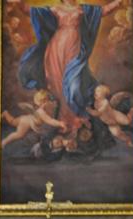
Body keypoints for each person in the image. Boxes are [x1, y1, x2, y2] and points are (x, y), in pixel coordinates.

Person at [11, 0, 125, 132]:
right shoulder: (56, 9)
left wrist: (117, 2)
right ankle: (62, 119)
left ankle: (75, 116)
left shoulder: (83, 9)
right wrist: (18, 3)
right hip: (56, 47)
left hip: (74, 47)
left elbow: (102, 11)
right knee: (57, 81)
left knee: (74, 82)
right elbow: (32, 11)